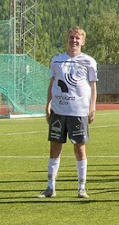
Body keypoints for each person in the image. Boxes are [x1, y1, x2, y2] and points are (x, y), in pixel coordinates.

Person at [39, 27, 98, 199]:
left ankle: (81, 187)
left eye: (77, 38)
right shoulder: (57, 60)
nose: (74, 41)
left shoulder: (89, 61)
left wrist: (92, 107)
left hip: (79, 111)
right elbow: (52, 84)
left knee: (79, 147)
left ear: (83, 41)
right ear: (67, 39)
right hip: (59, 110)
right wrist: (48, 104)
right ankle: (50, 187)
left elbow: (93, 86)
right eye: (71, 37)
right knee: (55, 147)